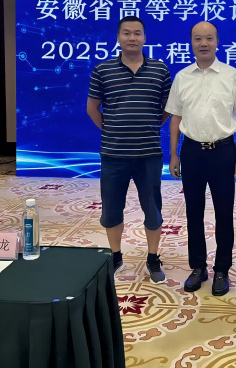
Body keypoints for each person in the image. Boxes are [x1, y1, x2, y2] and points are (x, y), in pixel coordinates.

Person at [165, 21, 236, 297]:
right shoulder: (182, 77)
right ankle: (198, 267)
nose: (204, 43)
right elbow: (175, 117)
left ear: (217, 42)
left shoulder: (232, 75)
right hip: (191, 152)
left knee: (224, 212)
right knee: (193, 212)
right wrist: (173, 154)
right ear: (191, 43)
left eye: (209, 38)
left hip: (223, 152)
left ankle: (222, 269)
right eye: (198, 39)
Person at [87, 16, 172, 284]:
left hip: (149, 155)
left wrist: (149, 125)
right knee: (112, 210)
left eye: (137, 33)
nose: (132, 38)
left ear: (145, 38)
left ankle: (153, 258)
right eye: (126, 33)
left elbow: (167, 108)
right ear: (118, 38)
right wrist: (113, 130)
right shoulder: (103, 70)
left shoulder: (160, 69)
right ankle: (116, 257)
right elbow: (92, 108)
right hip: (113, 155)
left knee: (153, 210)